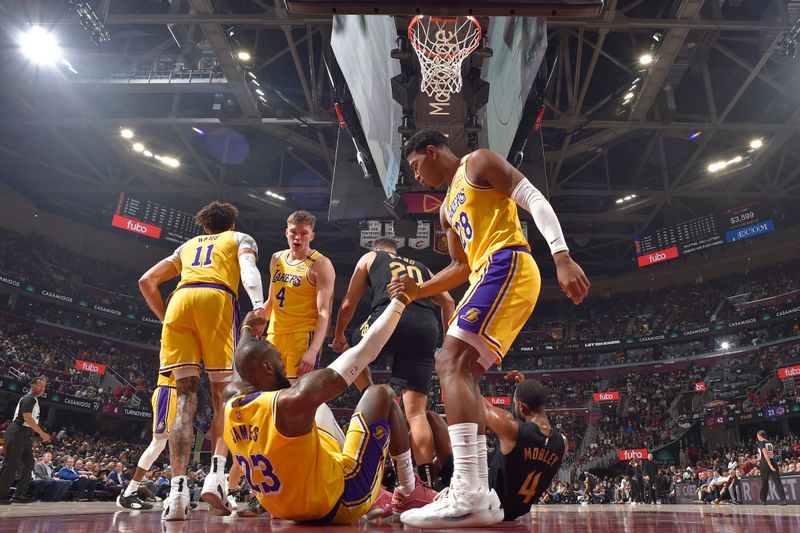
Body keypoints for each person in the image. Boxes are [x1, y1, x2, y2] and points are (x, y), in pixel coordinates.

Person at [389, 130, 589, 528]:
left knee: (449, 360)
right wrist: (418, 291)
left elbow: (531, 196)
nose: (416, 176)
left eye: (415, 166)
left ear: (432, 152)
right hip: (484, 274)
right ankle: (475, 490)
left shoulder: (477, 162)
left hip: (508, 263)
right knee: (462, 377)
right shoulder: (446, 210)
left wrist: (561, 255)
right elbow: (460, 268)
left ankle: (469, 491)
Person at [223, 295, 434, 524]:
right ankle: (408, 490)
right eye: (279, 362)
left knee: (319, 410)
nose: (284, 365)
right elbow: (365, 351)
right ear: (267, 366)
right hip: (338, 503)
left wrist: (246, 327)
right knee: (380, 393)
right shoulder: (293, 401)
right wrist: (400, 302)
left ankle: (380, 493)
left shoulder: (230, 403)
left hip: (284, 507)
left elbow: (241, 365)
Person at [138, 201, 265, 520]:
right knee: (224, 395)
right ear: (231, 225)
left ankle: (177, 493)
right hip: (215, 300)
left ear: (205, 227)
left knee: (185, 401)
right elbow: (249, 272)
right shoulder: (240, 239)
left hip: (180, 302)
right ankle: (217, 476)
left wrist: (166, 318)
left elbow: (146, 281)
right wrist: (259, 306)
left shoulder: (187, 246)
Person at [333, 236, 455, 487]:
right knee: (417, 414)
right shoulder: (422, 267)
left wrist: (338, 335)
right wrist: (445, 343)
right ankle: (426, 484)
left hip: (390, 315)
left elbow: (348, 303)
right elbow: (449, 302)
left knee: (351, 349)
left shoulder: (370, 258)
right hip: (426, 327)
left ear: (374, 248)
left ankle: (372, 396)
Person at [484, 371, 567, 521]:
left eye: (516, 405)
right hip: (516, 512)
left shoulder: (513, 431)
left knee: (435, 419)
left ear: (522, 407)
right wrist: (523, 389)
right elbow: (526, 437)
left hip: (487, 507)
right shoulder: (563, 443)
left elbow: (480, 406)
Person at [265, 210, 335, 380]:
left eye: (304, 233)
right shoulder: (277, 258)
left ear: (312, 236)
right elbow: (271, 299)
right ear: (286, 232)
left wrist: (313, 351)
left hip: (302, 336)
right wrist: (258, 322)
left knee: (296, 395)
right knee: (270, 392)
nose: (297, 237)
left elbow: (324, 312)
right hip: (274, 335)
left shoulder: (321, 264)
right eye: (293, 232)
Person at [117, 370, 177, 510]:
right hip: (169, 390)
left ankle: (178, 492)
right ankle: (129, 492)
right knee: (158, 444)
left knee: (172, 444)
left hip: (176, 393)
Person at [0, 376, 51, 504]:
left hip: (25, 434)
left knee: (29, 463)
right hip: (18, 431)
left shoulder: (34, 400)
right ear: (32, 385)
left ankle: (19, 495)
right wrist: (42, 433)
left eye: (44, 387)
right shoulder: (29, 398)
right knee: (11, 464)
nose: (42, 389)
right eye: (39, 385)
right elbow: (27, 418)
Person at [756, 430, 788, 505]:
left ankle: (763, 500)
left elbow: (765, 454)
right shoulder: (769, 442)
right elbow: (768, 455)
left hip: (766, 463)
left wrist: (769, 465)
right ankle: (783, 500)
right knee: (777, 481)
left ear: (759, 436)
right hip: (773, 461)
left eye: (757, 435)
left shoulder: (761, 443)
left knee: (764, 481)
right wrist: (755, 459)